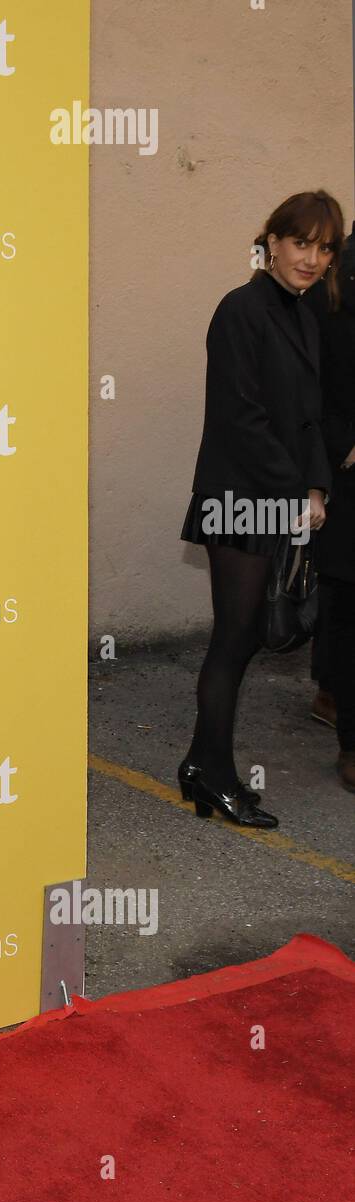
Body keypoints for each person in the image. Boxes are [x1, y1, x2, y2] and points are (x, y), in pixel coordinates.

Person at [178, 190, 343, 827]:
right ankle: (212, 773)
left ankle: (201, 764)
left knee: (244, 639)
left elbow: (311, 418)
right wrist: (296, 490)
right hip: (238, 498)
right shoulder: (240, 310)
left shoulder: (303, 314)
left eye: (325, 248)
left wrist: (319, 486)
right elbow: (238, 417)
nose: (312, 257)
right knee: (235, 639)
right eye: (301, 242)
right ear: (271, 242)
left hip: (279, 496)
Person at [307, 223, 355, 791]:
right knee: (345, 601)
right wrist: (340, 444)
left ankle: (329, 690)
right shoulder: (331, 284)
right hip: (345, 473)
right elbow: (305, 382)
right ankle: (348, 734)